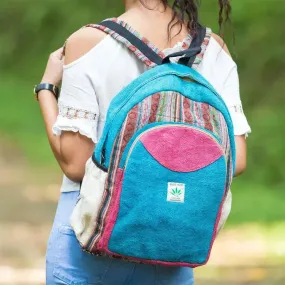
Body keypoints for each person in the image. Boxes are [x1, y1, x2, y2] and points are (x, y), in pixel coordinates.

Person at [37, 0, 251, 284]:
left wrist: (46, 90)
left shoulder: (88, 42)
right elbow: (236, 160)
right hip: (173, 244)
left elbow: (76, 164)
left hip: (91, 240)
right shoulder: (215, 49)